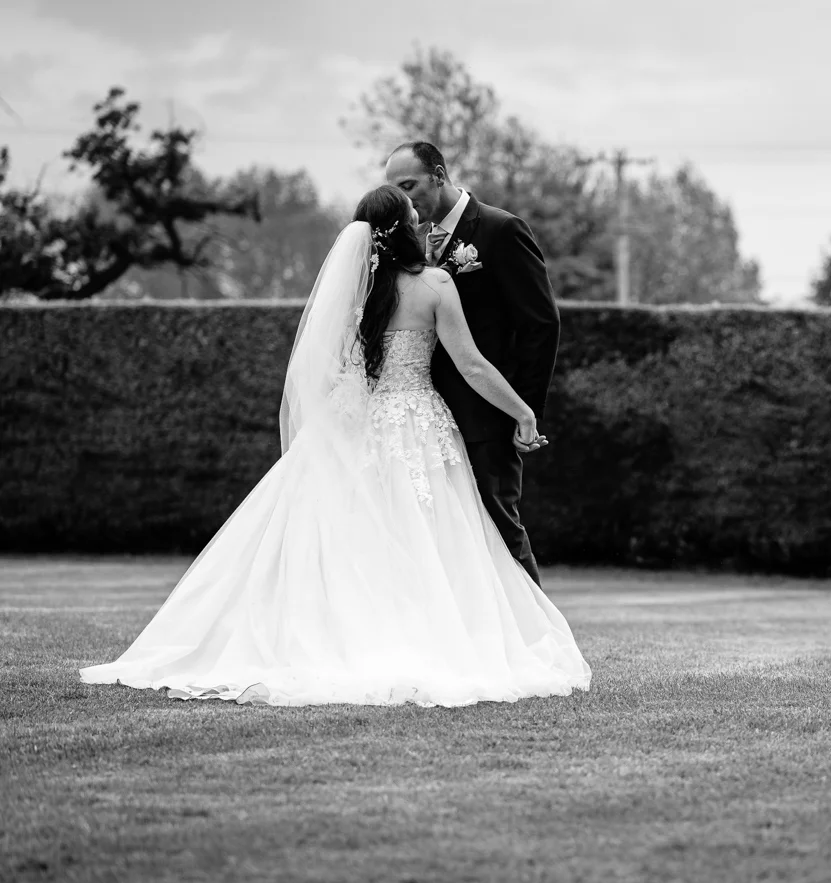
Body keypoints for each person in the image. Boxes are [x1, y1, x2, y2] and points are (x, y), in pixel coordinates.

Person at [79, 185, 590, 707]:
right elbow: (472, 365)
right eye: (413, 217)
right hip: (418, 426)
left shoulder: (355, 297)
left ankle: (365, 636)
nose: (421, 223)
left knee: (374, 541)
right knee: (433, 540)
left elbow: (329, 371)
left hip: (367, 428)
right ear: (401, 230)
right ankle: (435, 639)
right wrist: (523, 411)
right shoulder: (434, 284)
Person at [384, 141, 556, 585]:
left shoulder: (501, 230)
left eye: (410, 185)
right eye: (396, 190)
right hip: (422, 422)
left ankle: (537, 627)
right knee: (440, 541)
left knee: (499, 529)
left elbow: (540, 325)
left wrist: (522, 411)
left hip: (485, 415)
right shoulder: (410, 240)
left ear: (439, 175)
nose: (404, 198)